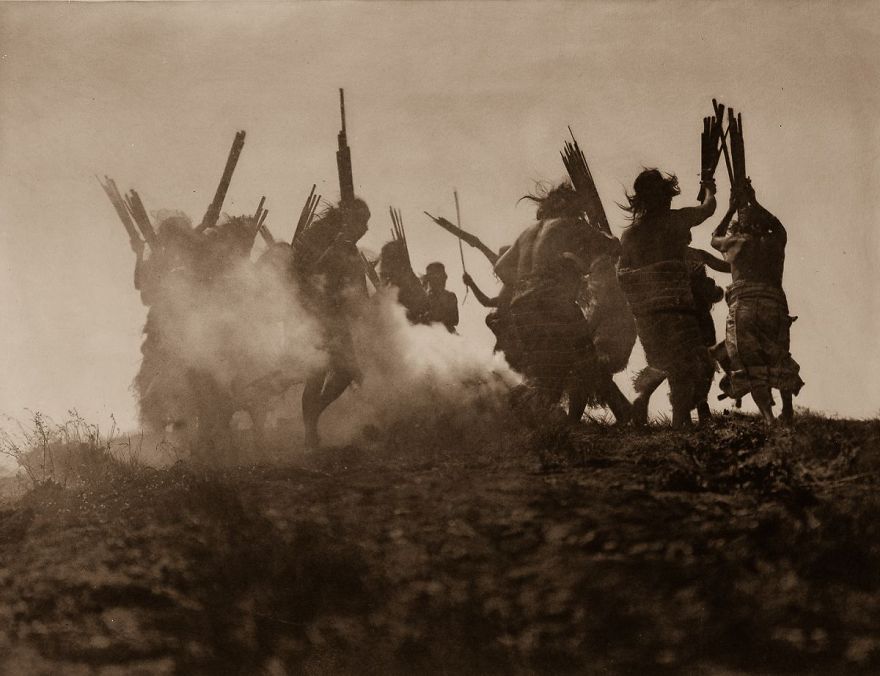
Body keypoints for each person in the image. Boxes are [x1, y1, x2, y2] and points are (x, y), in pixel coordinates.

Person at [494, 181, 626, 425]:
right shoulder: (572, 224)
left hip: (522, 306)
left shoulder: (527, 232)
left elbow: (500, 267)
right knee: (585, 358)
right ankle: (624, 412)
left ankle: (506, 410)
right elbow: (613, 245)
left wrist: (529, 282)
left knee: (547, 372)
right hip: (552, 301)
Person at [616, 168, 717, 428]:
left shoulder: (629, 235)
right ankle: (680, 420)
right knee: (690, 364)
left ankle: (641, 398)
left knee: (662, 362)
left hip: (646, 315)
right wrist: (709, 188)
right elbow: (707, 209)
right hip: (676, 308)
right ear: (664, 196)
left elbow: (622, 273)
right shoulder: (675, 220)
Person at [710, 182, 803, 423]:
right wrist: (754, 201)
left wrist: (731, 209)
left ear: (739, 226)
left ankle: (769, 418)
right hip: (774, 305)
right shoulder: (774, 242)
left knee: (749, 364)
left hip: (744, 307)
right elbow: (778, 227)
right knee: (779, 355)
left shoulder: (735, 243)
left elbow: (714, 238)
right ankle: (788, 410)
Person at [291, 198, 371, 450]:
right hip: (316, 315)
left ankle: (314, 416)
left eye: (367, 223)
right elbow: (309, 273)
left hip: (338, 319)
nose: (366, 228)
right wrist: (334, 248)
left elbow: (359, 290)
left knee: (347, 371)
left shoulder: (351, 251)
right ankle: (310, 434)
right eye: (363, 221)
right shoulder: (323, 238)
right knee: (316, 375)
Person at [631, 244, 730, 424]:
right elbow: (718, 276)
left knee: (670, 363)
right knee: (704, 361)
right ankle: (699, 408)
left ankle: (643, 397)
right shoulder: (695, 254)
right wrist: (716, 291)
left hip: (667, 315)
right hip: (696, 315)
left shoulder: (657, 254)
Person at [379, 239, 430, 323]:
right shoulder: (391, 282)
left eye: (389, 259)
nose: (385, 263)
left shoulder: (409, 281)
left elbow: (422, 307)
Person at [422, 262, 459, 333]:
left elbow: (454, 320)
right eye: (440, 276)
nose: (445, 277)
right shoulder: (424, 297)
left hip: (446, 334)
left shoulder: (450, 296)